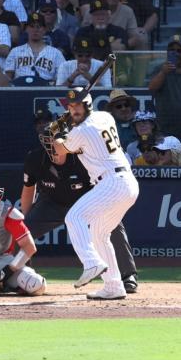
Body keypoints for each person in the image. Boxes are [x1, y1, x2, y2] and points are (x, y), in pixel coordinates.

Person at [23, 123, 138, 293]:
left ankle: (127, 276)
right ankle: (22, 276)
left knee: (112, 225)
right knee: (22, 232)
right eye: (49, 141)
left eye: (58, 141)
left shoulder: (84, 157)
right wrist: (24, 222)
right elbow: (28, 189)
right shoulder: (35, 158)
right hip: (51, 203)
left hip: (84, 200)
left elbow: (100, 184)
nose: (54, 146)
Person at [48, 87, 139, 300]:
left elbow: (59, 150)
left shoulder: (82, 131)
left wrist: (56, 130)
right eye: (71, 106)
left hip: (112, 182)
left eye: (78, 105)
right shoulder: (105, 116)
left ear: (88, 104)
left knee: (74, 216)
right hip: (126, 183)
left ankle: (90, 262)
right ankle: (114, 286)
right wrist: (66, 125)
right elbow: (74, 133)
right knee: (99, 232)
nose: (74, 109)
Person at [4, 12, 64, 85]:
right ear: (26, 29)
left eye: (38, 26)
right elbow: (7, 78)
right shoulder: (15, 51)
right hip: (20, 90)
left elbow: (62, 79)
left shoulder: (56, 53)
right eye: (32, 26)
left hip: (45, 92)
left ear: (45, 29)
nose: (35, 30)